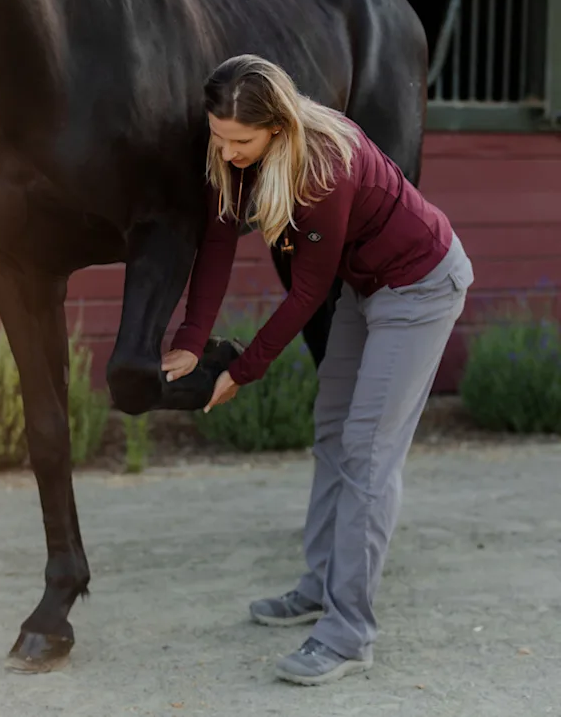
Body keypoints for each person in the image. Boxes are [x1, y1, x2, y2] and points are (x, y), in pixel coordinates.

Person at [161, 54, 474, 686]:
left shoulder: (322, 167)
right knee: (331, 430)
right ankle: (318, 585)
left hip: (420, 287)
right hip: (366, 288)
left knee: (366, 455)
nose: (226, 151)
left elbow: (305, 294)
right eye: (217, 137)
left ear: (277, 128)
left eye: (240, 141)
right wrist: (192, 341)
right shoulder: (234, 151)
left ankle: (347, 631)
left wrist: (242, 372)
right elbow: (218, 242)